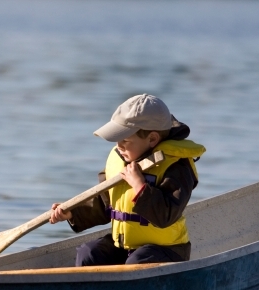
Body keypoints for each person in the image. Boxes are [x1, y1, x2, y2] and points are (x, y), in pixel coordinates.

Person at [49, 94, 205, 266]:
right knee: (89, 254)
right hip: (125, 247)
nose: (119, 146)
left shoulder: (176, 166)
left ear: (152, 139)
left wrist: (139, 186)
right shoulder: (120, 158)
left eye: (125, 140)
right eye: (117, 139)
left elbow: (165, 215)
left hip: (166, 250)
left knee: (136, 262)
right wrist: (73, 212)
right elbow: (105, 202)